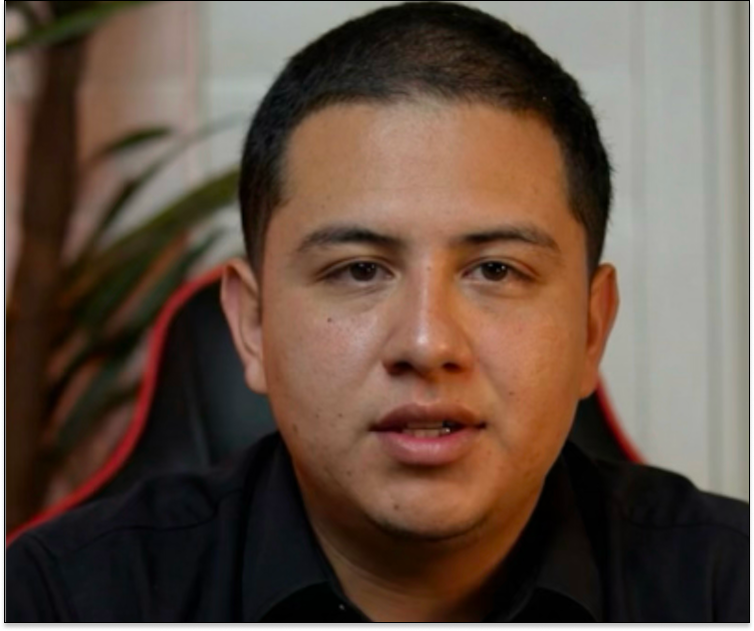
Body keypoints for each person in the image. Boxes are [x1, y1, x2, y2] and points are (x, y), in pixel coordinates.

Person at [6, 2, 748, 624]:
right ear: (252, 326)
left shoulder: (725, 588)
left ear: (591, 329)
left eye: (495, 269)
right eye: (359, 269)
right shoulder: (59, 598)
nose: (426, 342)